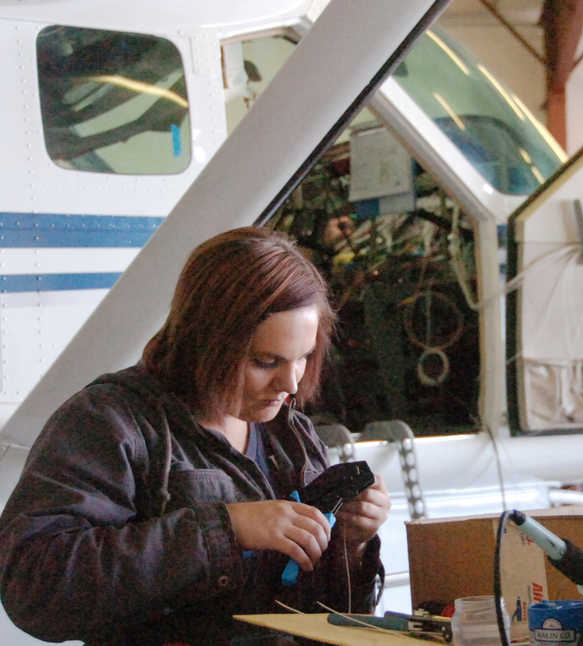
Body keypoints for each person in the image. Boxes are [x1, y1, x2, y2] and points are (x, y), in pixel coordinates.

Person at [0, 226, 391, 645]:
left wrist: (351, 547)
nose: (291, 384)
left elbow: (318, 618)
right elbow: (35, 589)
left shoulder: (291, 436)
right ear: (204, 342)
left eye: (304, 358)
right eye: (264, 361)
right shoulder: (109, 423)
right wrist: (223, 531)